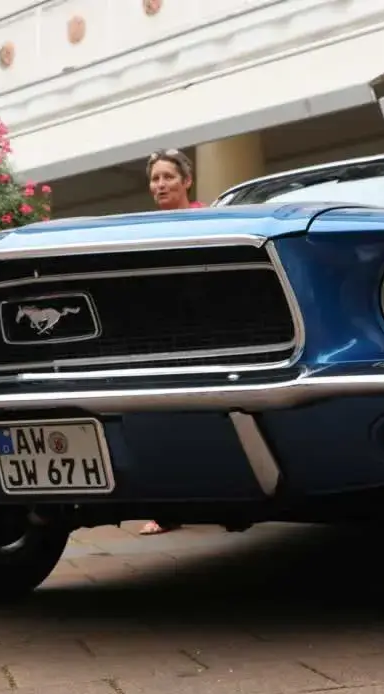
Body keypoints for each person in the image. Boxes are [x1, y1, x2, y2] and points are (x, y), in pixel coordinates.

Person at [139, 148, 203, 536]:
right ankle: (166, 510)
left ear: (186, 181)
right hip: (161, 338)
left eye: (168, 177)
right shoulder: (145, 228)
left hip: (201, 336)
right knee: (157, 420)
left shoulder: (205, 220)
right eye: (155, 179)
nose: (161, 185)